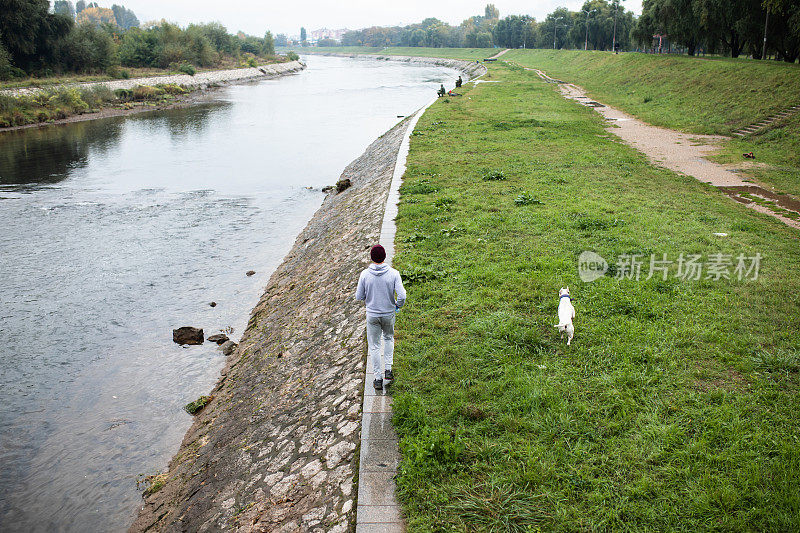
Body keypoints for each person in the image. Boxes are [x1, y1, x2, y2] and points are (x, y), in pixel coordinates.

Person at [355, 244, 406, 389]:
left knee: (375, 346)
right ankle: (388, 370)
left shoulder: (365, 274)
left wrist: (368, 296)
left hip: (372, 315)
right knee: (389, 338)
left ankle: (377, 378)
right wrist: (397, 305)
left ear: (371, 258)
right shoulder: (394, 274)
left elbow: (359, 296)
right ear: (385, 256)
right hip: (389, 313)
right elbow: (402, 295)